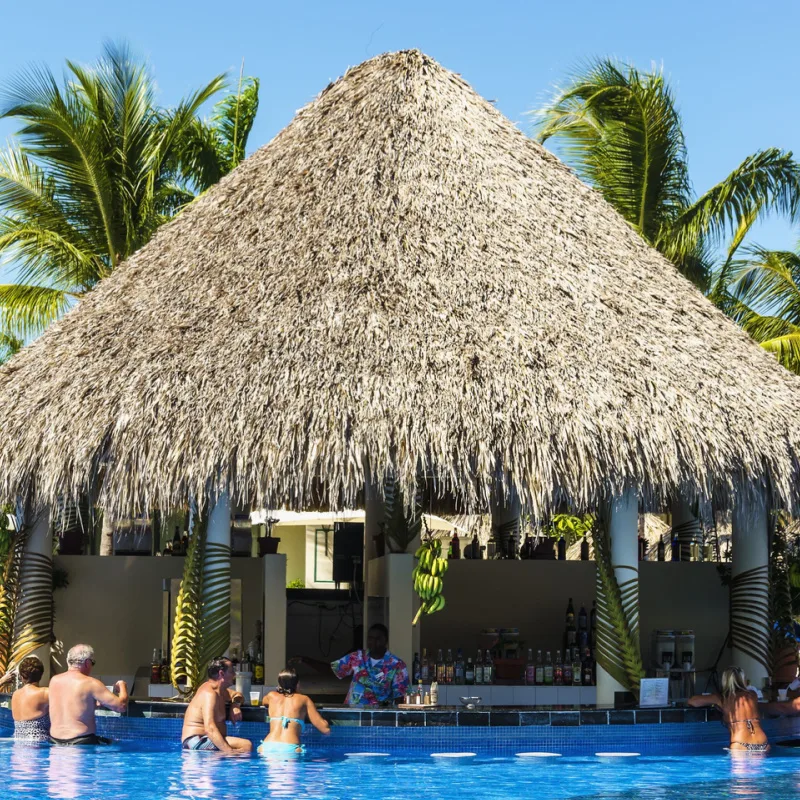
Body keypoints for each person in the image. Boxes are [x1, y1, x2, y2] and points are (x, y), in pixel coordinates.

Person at [48, 643, 128, 745]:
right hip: (81, 744)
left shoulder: (54, 681)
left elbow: (71, 706)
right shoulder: (91, 683)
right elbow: (121, 706)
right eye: (92, 663)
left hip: (55, 743)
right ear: (87, 663)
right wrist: (122, 686)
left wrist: (92, 703)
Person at [688, 666, 769, 753]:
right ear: (743, 679)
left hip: (741, 744)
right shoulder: (753, 695)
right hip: (762, 743)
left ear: (725, 680)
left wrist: (715, 702)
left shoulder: (722, 698)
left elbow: (692, 701)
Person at [181, 657, 252, 754]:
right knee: (246, 745)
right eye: (231, 671)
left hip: (206, 740)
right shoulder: (209, 694)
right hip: (197, 741)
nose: (234, 674)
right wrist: (229, 752)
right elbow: (210, 728)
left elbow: (237, 695)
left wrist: (235, 705)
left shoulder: (221, 691)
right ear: (221, 674)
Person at [330, 623, 409, 706]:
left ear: (386, 640)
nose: (373, 642)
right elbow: (334, 670)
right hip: (352, 715)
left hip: (379, 716)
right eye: (370, 638)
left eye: (378, 639)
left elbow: (400, 697)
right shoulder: (356, 657)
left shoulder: (397, 665)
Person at [258, 667, 330, 755]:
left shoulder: (271, 696)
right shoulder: (304, 699)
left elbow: (264, 701)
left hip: (267, 746)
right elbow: (325, 729)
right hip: (290, 748)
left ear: (279, 684)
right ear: (298, 684)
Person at [0, 656, 50, 741]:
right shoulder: (45, 693)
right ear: (41, 675)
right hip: (39, 746)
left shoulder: (15, 695)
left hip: (18, 745)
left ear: (22, 677)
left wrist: (2, 681)